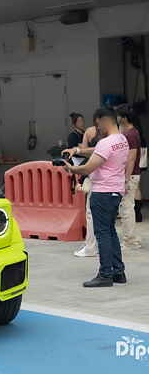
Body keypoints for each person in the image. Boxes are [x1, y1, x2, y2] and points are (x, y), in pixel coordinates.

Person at [63, 108, 128, 288]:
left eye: (98, 125)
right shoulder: (122, 140)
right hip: (116, 192)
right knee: (110, 231)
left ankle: (105, 273)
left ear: (104, 121)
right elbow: (97, 151)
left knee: (102, 233)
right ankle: (118, 271)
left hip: (102, 193)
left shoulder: (106, 143)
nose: (97, 129)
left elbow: (87, 168)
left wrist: (70, 168)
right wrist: (76, 150)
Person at [72, 120, 103, 258]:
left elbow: (87, 152)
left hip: (93, 175)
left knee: (90, 213)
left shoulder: (89, 131)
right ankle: (100, 246)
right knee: (106, 218)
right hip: (109, 179)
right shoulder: (116, 136)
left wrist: (79, 150)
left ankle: (90, 247)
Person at [117, 107, 142, 249]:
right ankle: (129, 239)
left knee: (127, 208)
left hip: (130, 175)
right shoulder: (128, 132)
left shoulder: (131, 134)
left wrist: (125, 179)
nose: (117, 118)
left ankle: (130, 241)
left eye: (118, 116)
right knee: (126, 208)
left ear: (124, 118)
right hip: (130, 175)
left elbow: (131, 159)